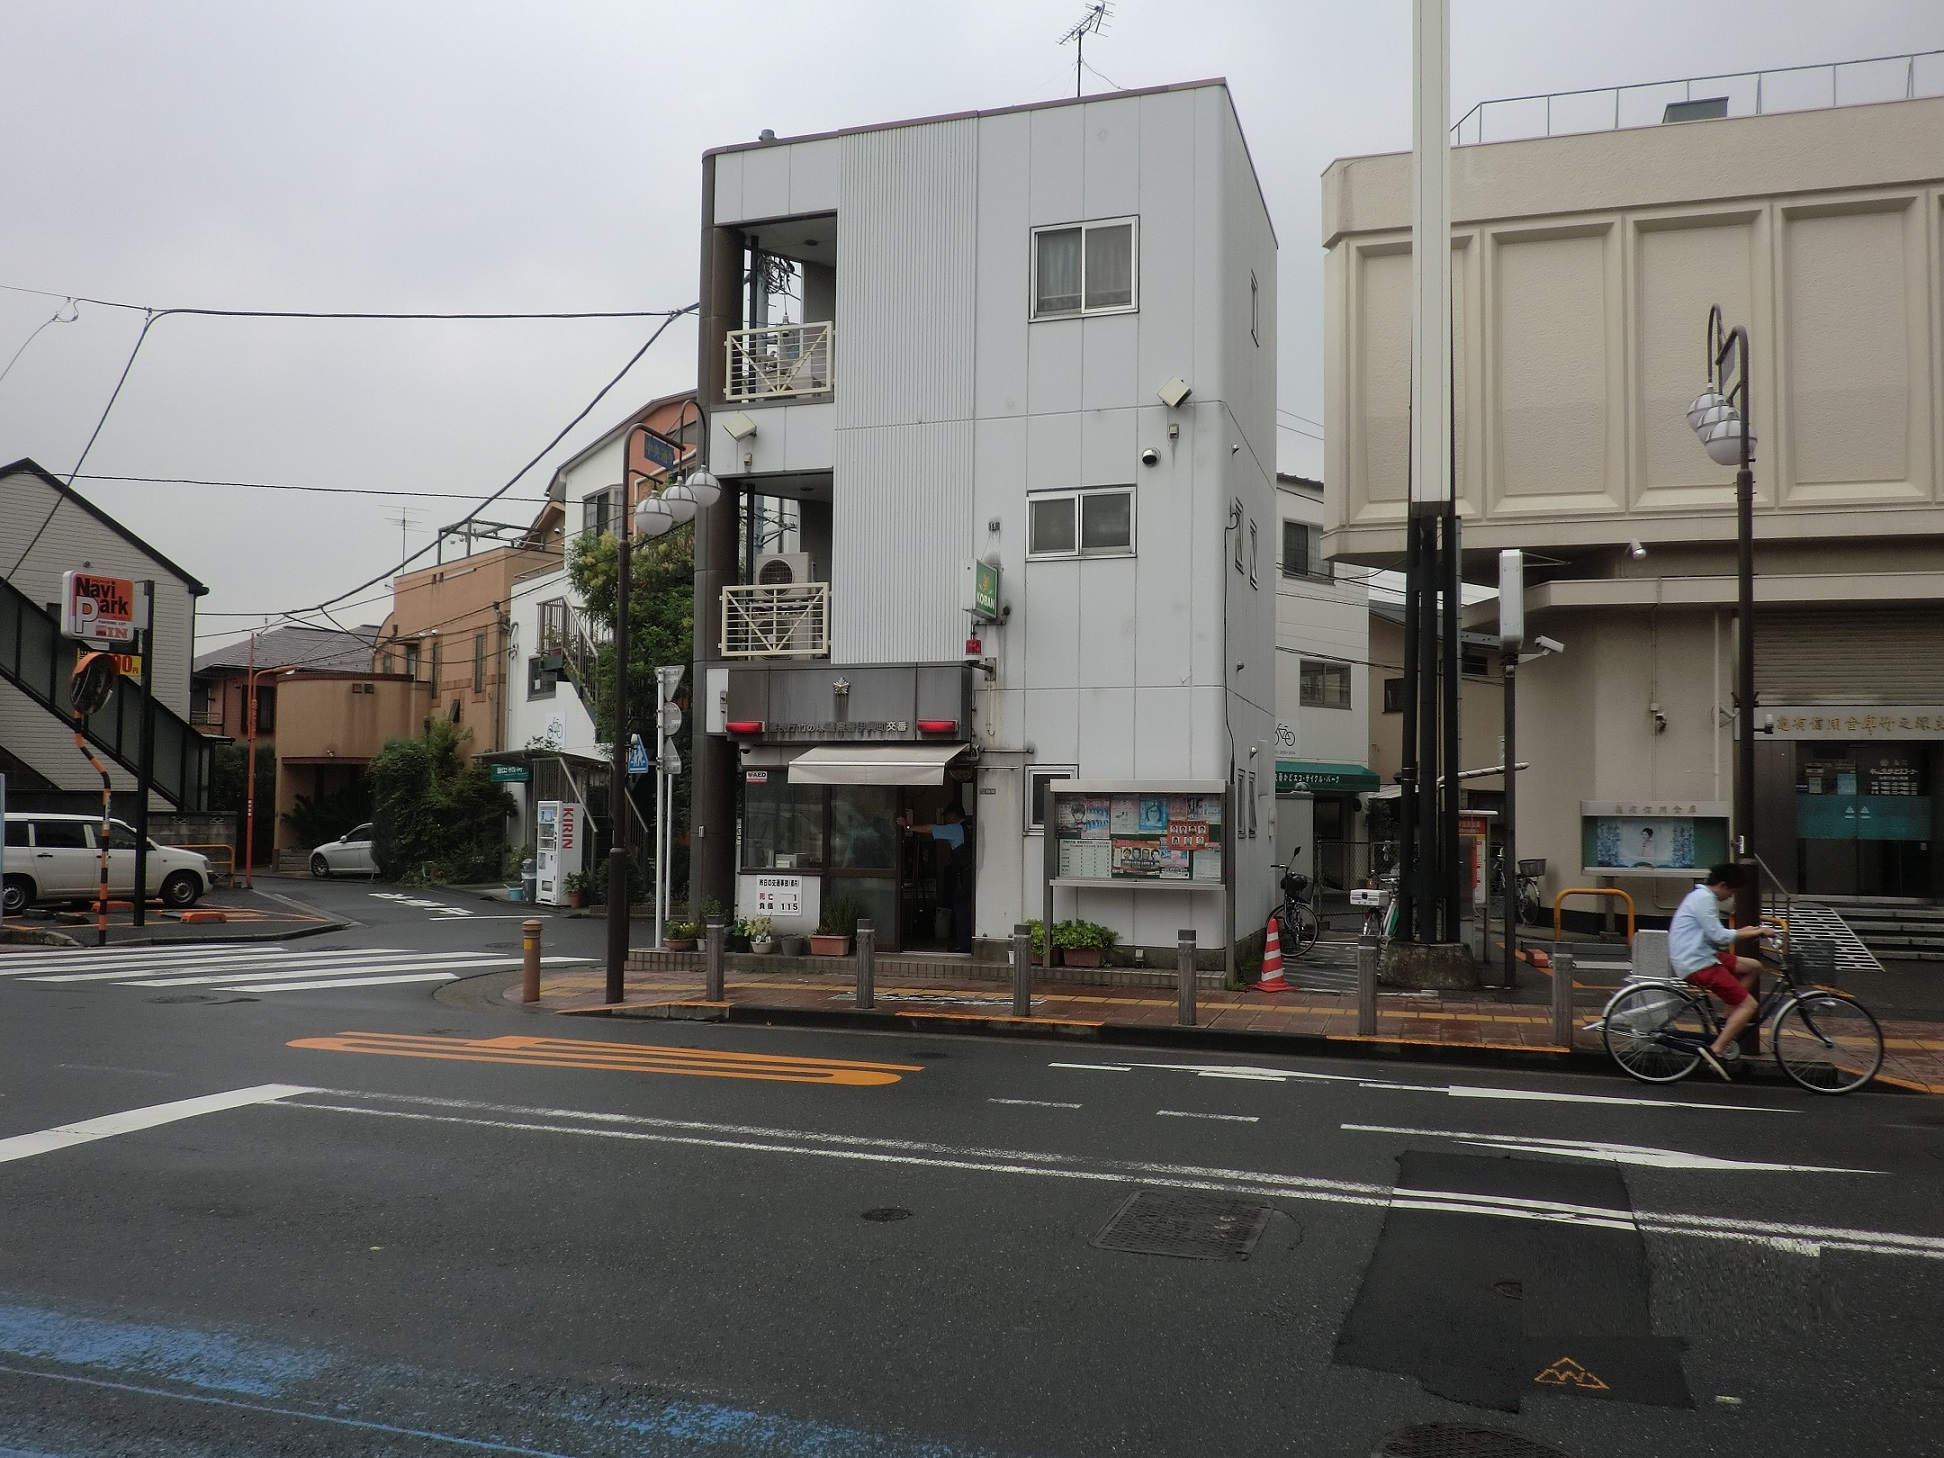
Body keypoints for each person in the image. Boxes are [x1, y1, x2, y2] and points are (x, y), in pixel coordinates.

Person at [1668, 861, 1768, 1080]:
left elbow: (1717, 934)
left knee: (1753, 967)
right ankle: (1717, 1049)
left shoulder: (1700, 896)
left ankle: (1726, 1020)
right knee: (1749, 1005)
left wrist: (1746, 931)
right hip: (1697, 962)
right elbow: (1719, 937)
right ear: (1722, 885)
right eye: (1731, 890)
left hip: (1701, 954)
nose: (1731, 895)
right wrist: (1755, 931)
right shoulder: (1705, 900)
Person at [896, 803, 974, 953]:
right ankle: (966, 942)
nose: (944, 819)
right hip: (973, 873)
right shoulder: (969, 827)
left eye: (946, 816)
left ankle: (964, 945)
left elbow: (930, 828)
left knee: (961, 908)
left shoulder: (955, 828)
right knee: (968, 908)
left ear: (952, 815)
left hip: (964, 874)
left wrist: (908, 827)